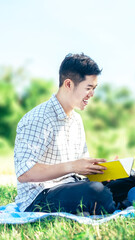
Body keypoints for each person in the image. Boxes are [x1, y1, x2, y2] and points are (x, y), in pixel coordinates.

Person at [14, 53, 115, 215]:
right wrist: (73, 166)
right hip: (40, 196)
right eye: (88, 88)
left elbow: (80, 168)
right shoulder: (38, 118)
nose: (92, 94)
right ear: (68, 84)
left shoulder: (76, 120)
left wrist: (102, 171)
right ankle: (112, 202)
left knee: (126, 180)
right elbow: (25, 173)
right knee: (96, 191)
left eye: (94, 89)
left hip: (72, 185)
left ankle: (112, 199)